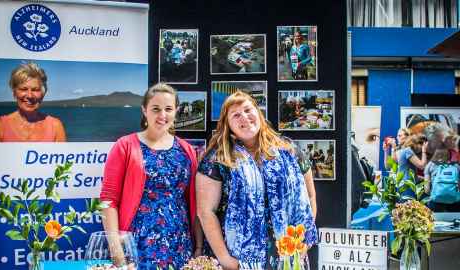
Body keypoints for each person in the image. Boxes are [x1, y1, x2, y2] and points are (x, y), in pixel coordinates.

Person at [196, 91, 317, 270]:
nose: (244, 117)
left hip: (288, 256)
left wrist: (303, 245)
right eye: (236, 115)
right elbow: (206, 212)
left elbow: (310, 196)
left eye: (247, 110)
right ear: (228, 125)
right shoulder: (218, 159)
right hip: (239, 259)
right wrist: (226, 260)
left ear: (258, 113)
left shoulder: (288, 149)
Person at [100, 83, 203, 269]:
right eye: (156, 109)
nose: (162, 115)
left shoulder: (186, 150)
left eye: (168, 109)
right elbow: (108, 200)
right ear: (144, 110)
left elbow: (194, 202)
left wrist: (199, 246)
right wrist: (116, 250)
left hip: (180, 244)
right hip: (138, 244)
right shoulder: (125, 146)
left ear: (176, 111)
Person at [0, 62, 66, 142]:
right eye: (23, 89)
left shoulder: (55, 126)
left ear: (42, 94)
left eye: (35, 90)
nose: (30, 96)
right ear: (14, 93)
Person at [424, 145, 460, 212]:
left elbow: (427, 189)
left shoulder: (430, 165)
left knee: (435, 221)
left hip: (435, 201)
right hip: (454, 201)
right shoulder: (456, 166)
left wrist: (436, 193)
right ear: (448, 155)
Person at [395, 134, 429, 199]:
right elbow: (421, 165)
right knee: (408, 207)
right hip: (406, 186)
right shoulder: (408, 151)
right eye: (423, 145)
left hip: (407, 185)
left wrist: (422, 178)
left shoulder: (409, 151)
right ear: (417, 143)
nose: (424, 148)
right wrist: (424, 151)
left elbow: (408, 172)